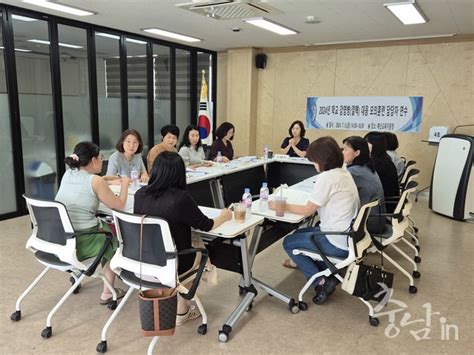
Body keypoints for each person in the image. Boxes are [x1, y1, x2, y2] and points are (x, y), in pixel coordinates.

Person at [134, 152, 232, 325]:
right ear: (180, 174)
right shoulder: (180, 198)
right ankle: (181, 309)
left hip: (144, 259)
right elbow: (206, 225)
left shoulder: (140, 194)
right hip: (176, 262)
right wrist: (225, 215)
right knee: (200, 248)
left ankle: (179, 299)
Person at [271, 137, 359, 305]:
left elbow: (307, 210)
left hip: (336, 241)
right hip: (348, 237)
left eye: (314, 162)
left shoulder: (327, 177)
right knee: (299, 233)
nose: (314, 166)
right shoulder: (343, 171)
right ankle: (326, 272)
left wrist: (280, 205)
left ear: (322, 160)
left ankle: (320, 282)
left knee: (289, 242)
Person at [55, 141, 131, 305]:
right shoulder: (95, 181)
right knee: (114, 240)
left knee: (104, 228)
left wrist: (105, 179)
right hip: (83, 239)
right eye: (101, 158)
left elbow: (87, 182)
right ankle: (107, 293)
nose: (102, 161)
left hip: (60, 238)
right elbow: (119, 205)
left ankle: (83, 275)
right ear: (94, 160)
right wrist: (124, 184)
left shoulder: (68, 174)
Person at [342, 136, 387, 234]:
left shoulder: (354, 172)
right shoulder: (367, 167)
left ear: (357, 153)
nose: (342, 152)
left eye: (345, 149)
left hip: (369, 223)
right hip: (378, 218)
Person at [365, 132, 400, 212]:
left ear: (375, 145)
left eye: (366, 143)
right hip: (386, 201)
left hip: (383, 205)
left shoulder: (379, 164)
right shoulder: (384, 159)